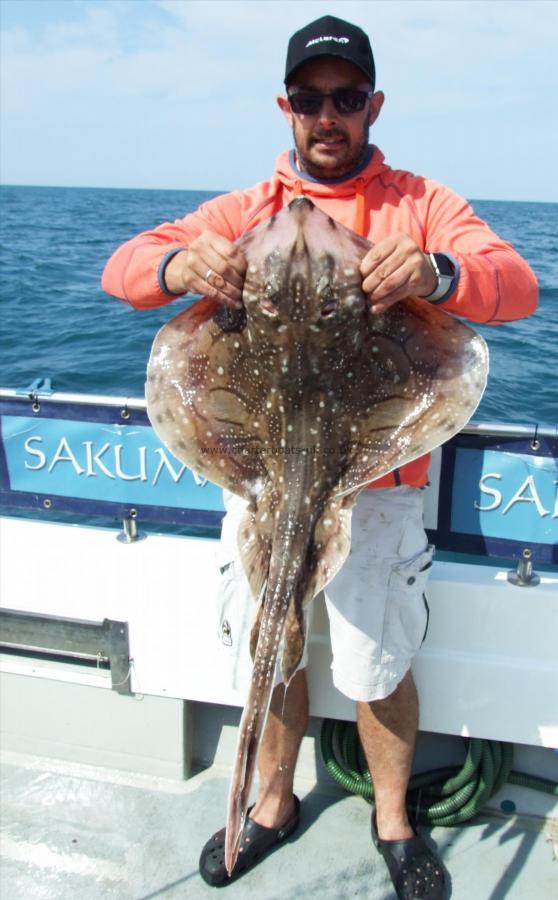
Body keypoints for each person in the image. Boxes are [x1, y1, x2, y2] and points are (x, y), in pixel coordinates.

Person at [102, 15, 538, 899]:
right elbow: (124, 269)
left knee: (377, 663)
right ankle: (268, 803)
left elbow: (517, 285)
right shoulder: (242, 212)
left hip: (373, 483)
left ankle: (392, 819)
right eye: (310, 99)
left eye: (345, 99)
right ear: (287, 107)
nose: (327, 115)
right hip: (260, 478)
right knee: (272, 641)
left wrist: (436, 274)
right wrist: (184, 265)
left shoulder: (421, 204)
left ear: (373, 106)